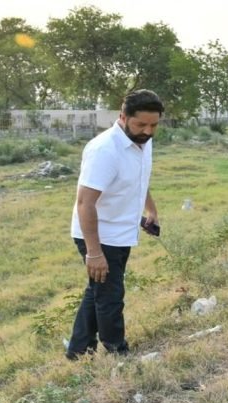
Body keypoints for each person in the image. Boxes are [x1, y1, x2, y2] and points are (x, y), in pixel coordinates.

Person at [66, 89, 164, 360]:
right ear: (123, 117)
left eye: (153, 125)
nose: (147, 131)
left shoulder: (143, 141)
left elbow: (138, 179)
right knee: (110, 296)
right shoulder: (104, 150)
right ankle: (117, 352)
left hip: (122, 232)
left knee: (98, 290)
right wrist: (93, 252)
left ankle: (77, 352)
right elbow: (85, 203)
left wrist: (151, 211)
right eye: (141, 124)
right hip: (99, 234)